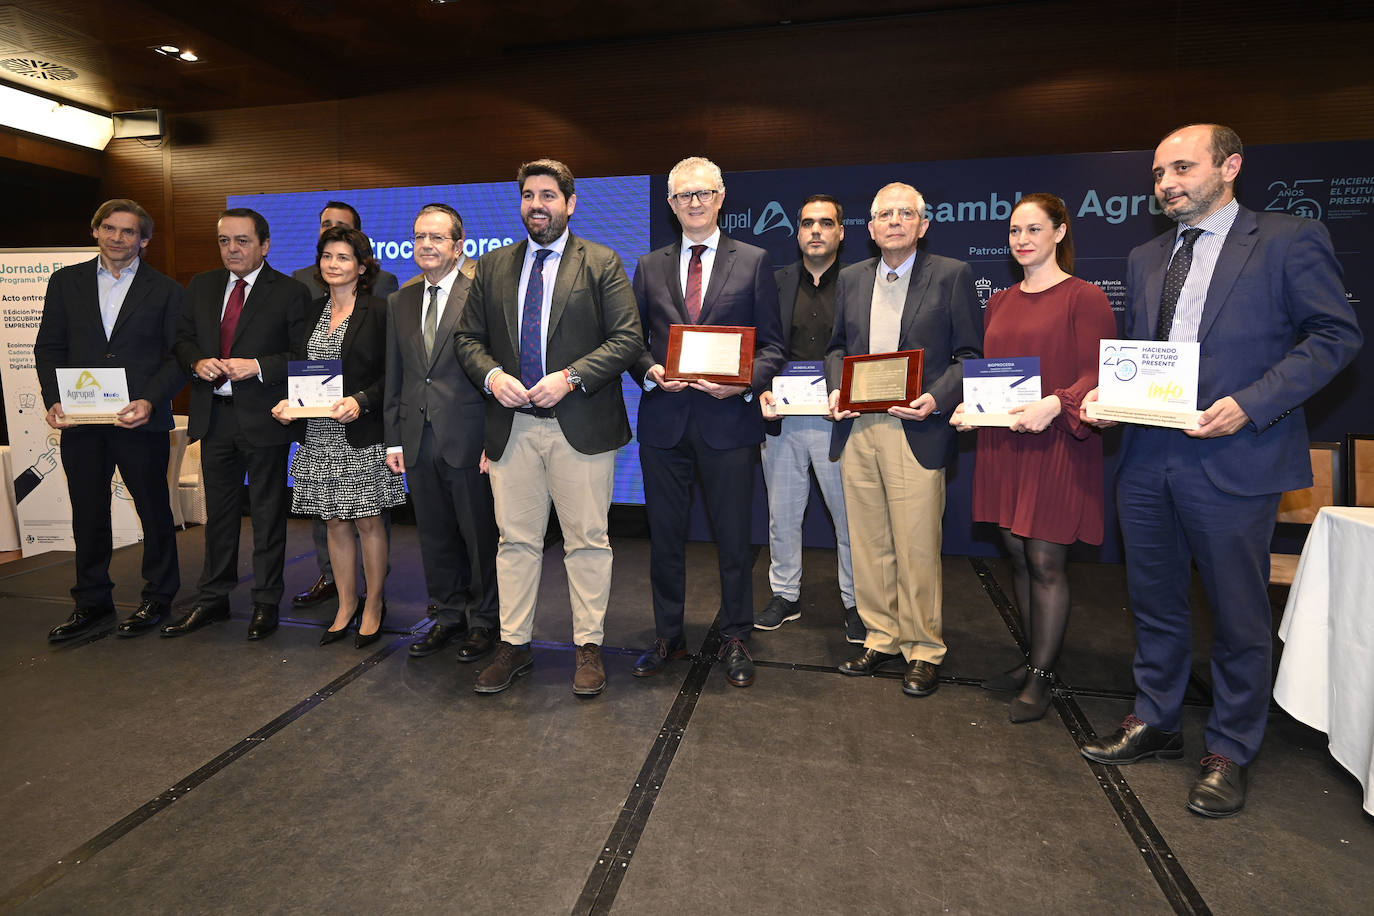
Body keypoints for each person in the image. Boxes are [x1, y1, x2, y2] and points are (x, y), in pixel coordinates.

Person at [1080, 124, 1361, 817]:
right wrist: (1110, 399)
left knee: (1239, 614)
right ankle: (1157, 720)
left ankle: (1231, 748)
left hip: (1237, 456)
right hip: (1148, 459)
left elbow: (1336, 335)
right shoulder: (1147, 255)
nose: (1167, 183)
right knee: (1154, 600)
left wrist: (1251, 404)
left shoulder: (1289, 239)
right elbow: (1147, 357)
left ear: (1229, 166)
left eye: (1182, 167)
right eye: (1157, 174)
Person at [455, 159, 644, 697]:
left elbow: (626, 339)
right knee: (515, 542)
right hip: (511, 428)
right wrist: (492, 377)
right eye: (528, 196)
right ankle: (514, 645)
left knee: (587, 541)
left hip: (580, 425)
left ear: (570, 202)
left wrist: (570, 377)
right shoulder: (491, 267)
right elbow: (467, 341)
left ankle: (589, 646)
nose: (536, 204)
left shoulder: (602, 262)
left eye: (547, 195)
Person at [950, 193, 1117, 722]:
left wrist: (1055, 403)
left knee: (1046, 560)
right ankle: (1032, 661)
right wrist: (969, 409)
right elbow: (993, 376)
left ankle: (1043, 677)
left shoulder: (1084, 297)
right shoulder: (999, 301)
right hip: (1006, 445)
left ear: (1060, 233)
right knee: (1017, 556)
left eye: (1034, 230)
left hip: (1058, 442)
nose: (1022, 240)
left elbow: (1098, 371)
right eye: (1015, 232)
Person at [629, 156, 786, 689]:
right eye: (682, 195)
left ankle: (736, 635)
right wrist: (650, 371)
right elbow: (631, 343)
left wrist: (743, 381)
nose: (694, 203)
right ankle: (668, 636)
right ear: (670, 205)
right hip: (665, 423)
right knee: (665, 540)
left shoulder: (756, 261)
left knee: (734, 540)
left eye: (703, 193)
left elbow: (774, 347)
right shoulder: (649, 266)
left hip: (728, 421)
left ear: (721, 198)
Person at [827, 182, 982, 697]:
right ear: (869, 230)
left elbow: (969, 355)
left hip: (917, 428)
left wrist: (935, 398)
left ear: (923, 224)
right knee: (868, 543)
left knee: (916, 546)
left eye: (905, 213)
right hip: (858, 429)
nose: (894, 221)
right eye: (884, 215)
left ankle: (923, 648)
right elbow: (835, 349)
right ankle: (880, 636)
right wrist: (835, 389)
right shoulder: (850, 279)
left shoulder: (952, 275)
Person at [35, 198, 185, 641]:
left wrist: (151, 402)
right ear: (95, 230)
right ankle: (92, 602)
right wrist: (55, 399)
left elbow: (178, 356)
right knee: (88, 513)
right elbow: (49, 348)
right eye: (111, 229)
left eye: (129, 232)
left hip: (138, 420)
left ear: (145, 241)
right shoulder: (65, 283)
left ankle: (158, 597)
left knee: (154, 512)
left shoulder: (167, 290)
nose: (119, 238)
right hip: (81, 422)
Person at [165, 208, 310, 640]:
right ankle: (213, 599)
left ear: (264, 245)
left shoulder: (289, 292)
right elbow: (182, 338)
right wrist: (196, 361)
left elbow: (302, 355)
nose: (232, 249)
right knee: (220, 517)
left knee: (267, 517)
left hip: (265, 420)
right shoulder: (202, 286)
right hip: (215, 419)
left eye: (242, 241)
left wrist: (259, 366)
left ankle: (266, 603)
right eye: (225, 240)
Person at [272, 226, 404, 648]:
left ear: (362, 266)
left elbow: (395, 376)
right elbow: (300, 370)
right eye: (327, 256)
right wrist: (287, 404)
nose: (333, 264)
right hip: (319, 435)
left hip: (361, 433)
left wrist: (362, 400)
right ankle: (346, 604)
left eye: (343, 257)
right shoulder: (310, 313)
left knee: (368, 521)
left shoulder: (381, 311)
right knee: (334, 522)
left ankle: (373, 604)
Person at [385, 203, 499, 663]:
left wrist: (496, 438)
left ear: (459, 246)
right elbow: (396, 374)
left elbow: (497, 371)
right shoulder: (401, 299)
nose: (426, 246)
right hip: (416, 438)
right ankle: (449, 616)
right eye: (419, 237)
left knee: (479, 536)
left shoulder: (482, 295)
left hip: (470, 440)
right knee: (433, 536)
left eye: (436, 238)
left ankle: (485, 622)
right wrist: (393, 438)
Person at [757, 194, 859, 642]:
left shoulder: (860, 282)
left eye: (826, 223)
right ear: (797, 232)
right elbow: (758, 346)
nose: (815, 231)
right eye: (807, 223)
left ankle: (858, 602)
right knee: (782, 514)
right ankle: (785, 594)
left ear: (841, 232)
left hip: (841, 417)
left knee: (851, 518)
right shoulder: (773, 282)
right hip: (782, 417)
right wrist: (759, 389)